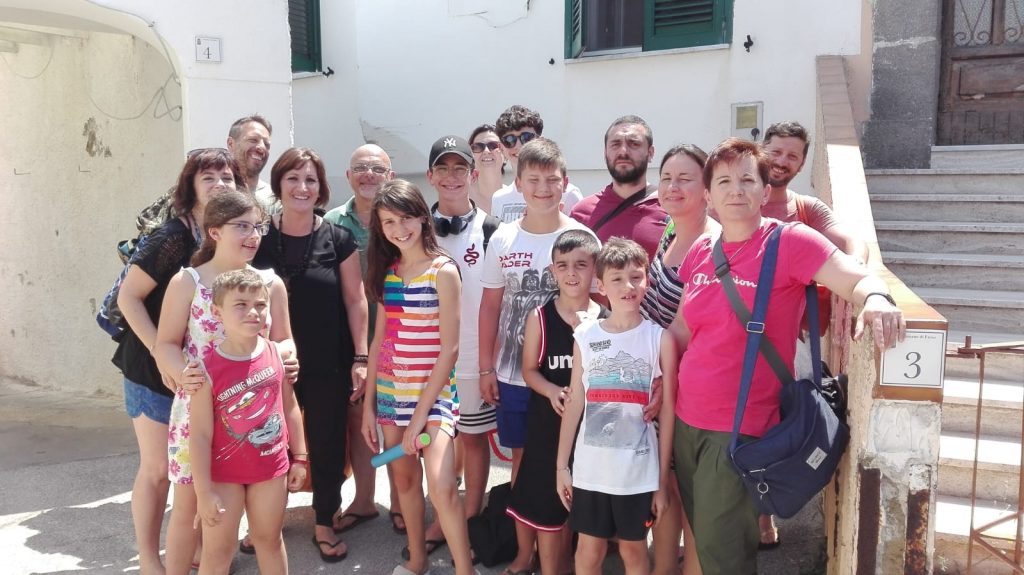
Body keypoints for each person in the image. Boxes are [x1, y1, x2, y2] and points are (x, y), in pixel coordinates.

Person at [667, 138, 905, 574]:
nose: (736, 190)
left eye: (747, 180)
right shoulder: (702, 250)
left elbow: (853, 278)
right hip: (686, 420)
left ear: (764, 190)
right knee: (702, 535)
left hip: (739, 428)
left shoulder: (789, 241)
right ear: (709, 195)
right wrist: (655, 379)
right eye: (724, 181)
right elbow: (683, 328)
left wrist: (876, 298)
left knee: (725, 552)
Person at [112, 149, 244, 575]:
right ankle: (151, 561)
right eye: (209, 177)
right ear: (190, 187)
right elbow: (128, 297)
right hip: (152, 367)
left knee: (199, 468)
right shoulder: (172, 237)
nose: (220, 184)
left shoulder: (230, 235)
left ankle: (198, 553)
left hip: (199, 374)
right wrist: (162, 355)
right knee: (158, 471)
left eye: (227, 176)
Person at [154, 190, 296, 575]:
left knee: (253, 530)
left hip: (254, 410)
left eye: (258, 227)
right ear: (214, 231)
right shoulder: (187, 281)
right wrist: (182, 371)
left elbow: (284, 337)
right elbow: (165, 343)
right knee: (190, 511)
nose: (253, 235)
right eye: (243, 226)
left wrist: (287, 354)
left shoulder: (269, 283)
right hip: (199, 413)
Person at [479, 137, 595, 575]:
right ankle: (524, 553)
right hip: (515, 374)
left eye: (551, 179)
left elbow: (601, 304)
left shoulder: (583, 238)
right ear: (518, 184)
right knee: (523, 465)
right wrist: (486, 367)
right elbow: (490, 306)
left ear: (565, 182)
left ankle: (564, 556)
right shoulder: (504, 237)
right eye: (533, 180)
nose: (543, 188)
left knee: (569, 464)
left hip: (570, 378)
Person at [252, 147, 369, 562]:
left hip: (327, 360)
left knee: (327, 438)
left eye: (310, 180)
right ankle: (268, 521)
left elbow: (356, 301)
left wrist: (361, 358)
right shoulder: (258, 238)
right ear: (279, 184)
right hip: (266, 362)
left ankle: (324, 519)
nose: (302, 188)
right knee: (269, 439)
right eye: (293, 179)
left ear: (320, 189)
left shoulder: (338, 239)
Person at [759, 121, 870, 549]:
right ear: (761, 150)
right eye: (776, 152)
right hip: (739, 334)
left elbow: (850, 243)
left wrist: (860, 280)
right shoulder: (737, 201)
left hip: (793, 340)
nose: (782, 161)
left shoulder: (806, 209)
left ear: (802, 164)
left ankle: (765, 514)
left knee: (780, 423)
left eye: (792, 155)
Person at [361, 180, 476, 575]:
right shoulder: (387, 273)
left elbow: (450, 349)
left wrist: (419, 418)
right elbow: (379, 341)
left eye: (406, 218)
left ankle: (465, 570)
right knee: (405, 482)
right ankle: (417, 561)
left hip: (435, 397)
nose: (399, 229)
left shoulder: (444, 270)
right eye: (389, 222)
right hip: (392, 395)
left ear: (422, 218)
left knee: (442, 488)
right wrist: (369, 407)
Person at [555, 237, 678, 575]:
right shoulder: (586, 336)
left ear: (647, 280)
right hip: (590, 471)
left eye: (636, 277)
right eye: (617, 278)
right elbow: (576, 401)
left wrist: (661, 482)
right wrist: (562, 466)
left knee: (634, 553)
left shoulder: (660, 339)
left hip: (637, 475)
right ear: (601, 285)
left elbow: (667, 413)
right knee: (588, 552)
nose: (628, 286)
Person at [188, 268, 308, 575]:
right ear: (217, 311)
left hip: (270, 469)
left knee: (269, 540)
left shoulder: (276, 354)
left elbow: (290, 407)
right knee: (218, 551)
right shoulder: (205, 370)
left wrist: (300, 457)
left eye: (260, 305)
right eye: (240, 304)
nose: (253, 312)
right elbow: (199, 435)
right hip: (223, 476)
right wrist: (203, 492)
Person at [323, 144, 408, 536]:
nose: (369, 174)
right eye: (361, 167)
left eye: (377, 168)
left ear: (390, 176)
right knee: (361, 420)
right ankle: (363, 500)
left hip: (399, 339)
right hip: (353, 342)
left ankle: (401, 501)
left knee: (395, 423)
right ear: (348, 176)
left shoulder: (402, 220)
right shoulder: (331, 222)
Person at [509, 229, 605, 575]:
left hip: (592, 437)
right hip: (548, 433)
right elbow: (529, 371)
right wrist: (551, 390)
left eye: (581, 264)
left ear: (596, 269)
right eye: (562, 265)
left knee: (588, 516)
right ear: (552, 271)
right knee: (548, 511)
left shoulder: (606, 319)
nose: (571, 273)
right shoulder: (540, 317)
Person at [422, 135, 500, 556]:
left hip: (472, 355)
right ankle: (442, 515)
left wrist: (489, 361)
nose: (451, 177)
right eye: (443, 168)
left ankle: (470, 516)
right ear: (430, 176)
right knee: (436, 441)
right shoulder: (416, 229)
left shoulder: (491, 229)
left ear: (471, 175)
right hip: (427, 355)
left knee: (472, 438)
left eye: (459, 168)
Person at [640, 145, 717, 575]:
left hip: (683, 386)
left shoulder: (710, 242)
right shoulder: (672, 230)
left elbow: (685, 327)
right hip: (658, 377)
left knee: (689, 494)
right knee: (665, 486)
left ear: (707, 188)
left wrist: (657, 378)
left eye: (685, 178)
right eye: (666, 177)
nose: (672, 186)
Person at [570, 115, 667, 261]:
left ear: (650, 153)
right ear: (605, 153)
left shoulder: (671, 209)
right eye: (615, 144)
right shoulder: (581, 214)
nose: (623, 152)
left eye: (634, 144)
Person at [490, 105, 583, 222]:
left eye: (526, 137)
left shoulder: (567, 194)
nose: (519, 145)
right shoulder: (499, 198)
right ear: (501, 147)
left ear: (541, 140)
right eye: (509, 140)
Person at [225, 115, 276, 213]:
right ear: (231, 144)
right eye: (253, 140)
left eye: (267, 145)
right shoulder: (216, 189)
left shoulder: (274, 199)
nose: (262, 147)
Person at [468, 124, 505, 214]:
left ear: (505, 154)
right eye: (478, 147)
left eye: (494, 145)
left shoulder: (519, 197)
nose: (486, 151)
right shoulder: (461, 200)